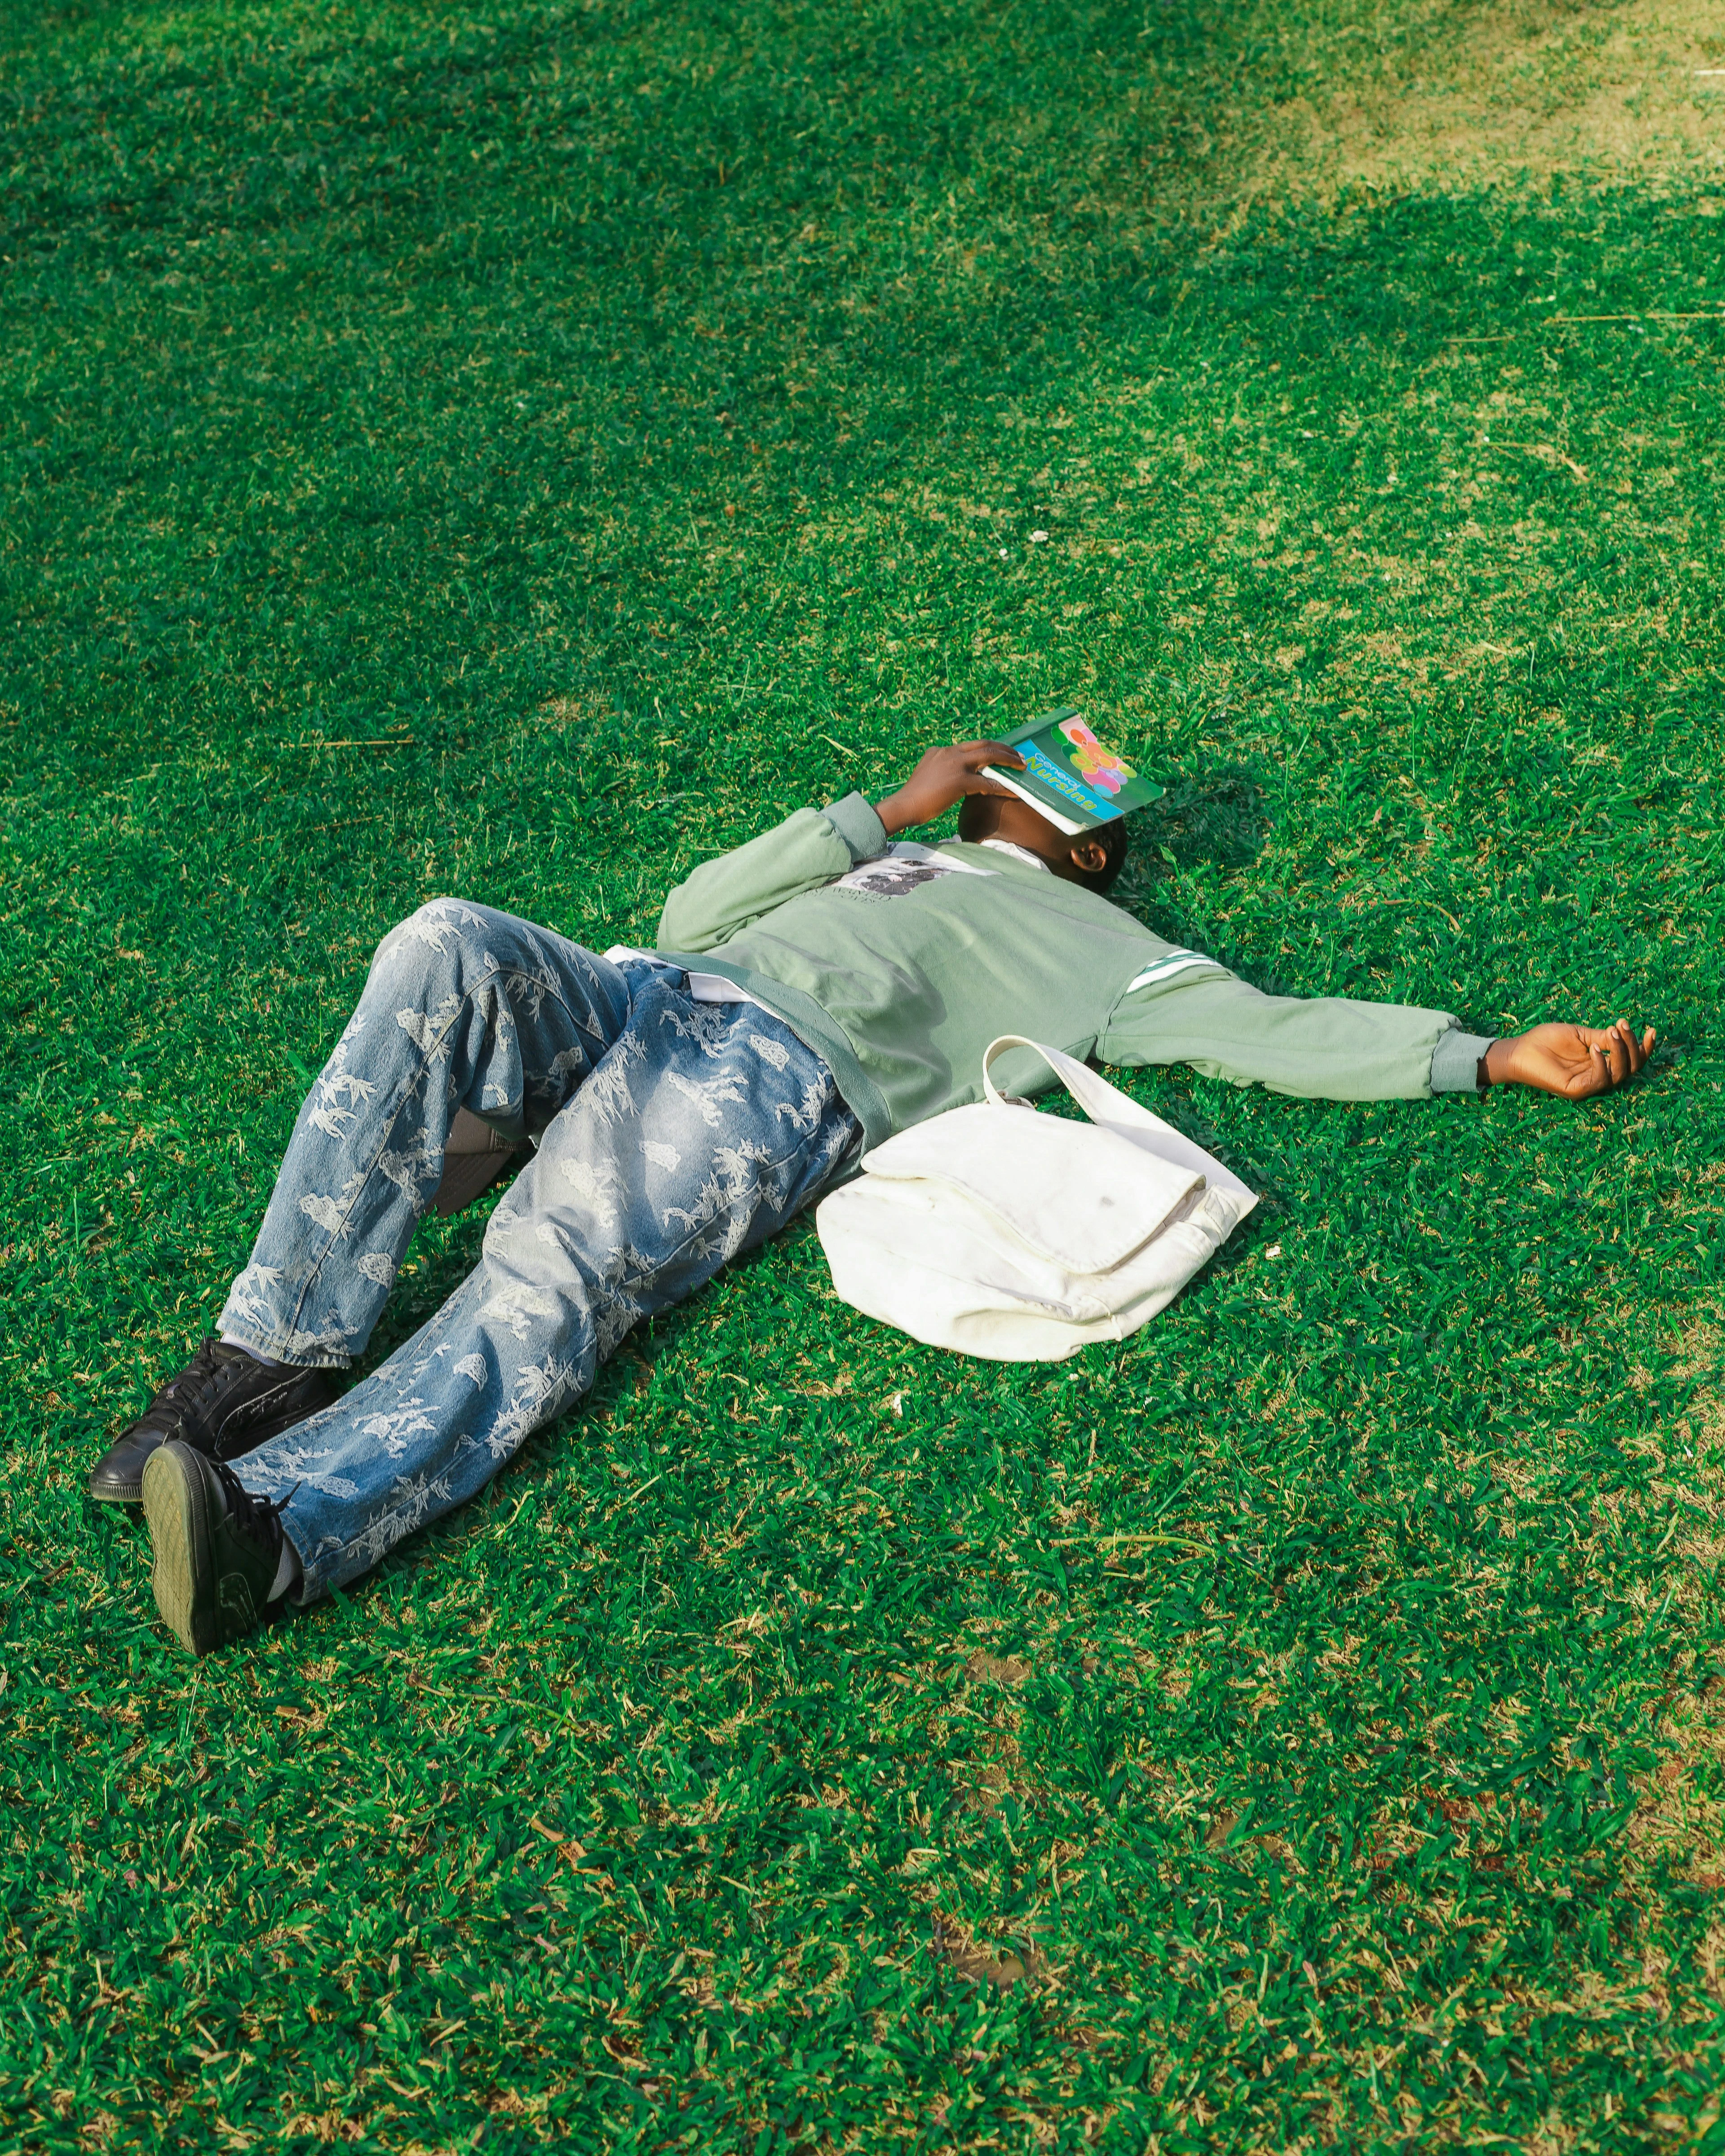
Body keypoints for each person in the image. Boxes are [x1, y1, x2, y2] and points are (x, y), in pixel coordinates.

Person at [93, 740, 1657, 1656]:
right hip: (643, 993)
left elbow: (1264, 1030)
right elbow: (689, 914)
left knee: (551, 1269)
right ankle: (262, 1367)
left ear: (1090, 847)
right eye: (1013, 759)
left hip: (769, 1083)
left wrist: (1481, 1054)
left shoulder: (1106, 947)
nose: (1012, 776)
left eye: (1047, 780)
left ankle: (278, 1534)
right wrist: (884, 816)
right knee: (443, 941)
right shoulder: (895, 857)